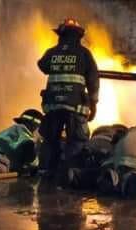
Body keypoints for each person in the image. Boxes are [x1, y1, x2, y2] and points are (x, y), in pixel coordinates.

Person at [37, 18, 100, 177]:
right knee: (77, 141)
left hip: (53, 106)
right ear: (79, 35)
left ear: (60, 35)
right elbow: (93, 80)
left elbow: (42, 65)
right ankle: (71, 174)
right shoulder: (84, 54)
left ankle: (46, 172)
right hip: (75, 106)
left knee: (50, 140)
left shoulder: (51, 53)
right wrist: (93, 104)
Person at [61, 124, 129, 190]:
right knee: (103, 166)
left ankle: (76, 175)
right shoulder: (122, 133)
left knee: (91, 164)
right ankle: (107, 177)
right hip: (107, 144)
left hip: (92, 143)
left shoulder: (101, 129)